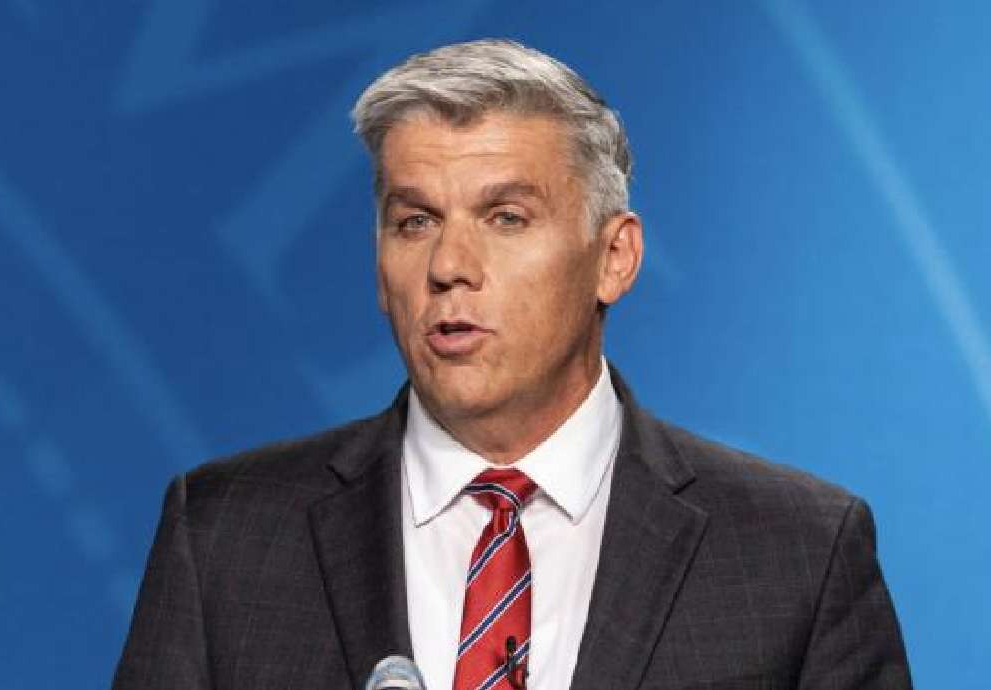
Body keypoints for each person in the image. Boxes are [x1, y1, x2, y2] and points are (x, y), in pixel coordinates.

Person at [113, 39, 911, 690]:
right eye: (415, 221)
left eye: (505, 218)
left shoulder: (796, 553)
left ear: (615, 257)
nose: (449, 266)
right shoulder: (224, 535)